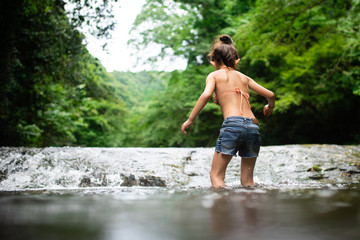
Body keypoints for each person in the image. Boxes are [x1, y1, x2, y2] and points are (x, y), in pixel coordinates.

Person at [181, 34, 275, 188]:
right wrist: (269, 107)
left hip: (233, 125)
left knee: (216, 177)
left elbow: (206, 95)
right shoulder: (244, 78)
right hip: (253, 127)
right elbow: (270, 95)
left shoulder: (214, 75)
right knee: (248, 182)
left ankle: (222, 210)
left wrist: (190, 119)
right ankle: (250, 209)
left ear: (213, 61)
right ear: (236, 60)